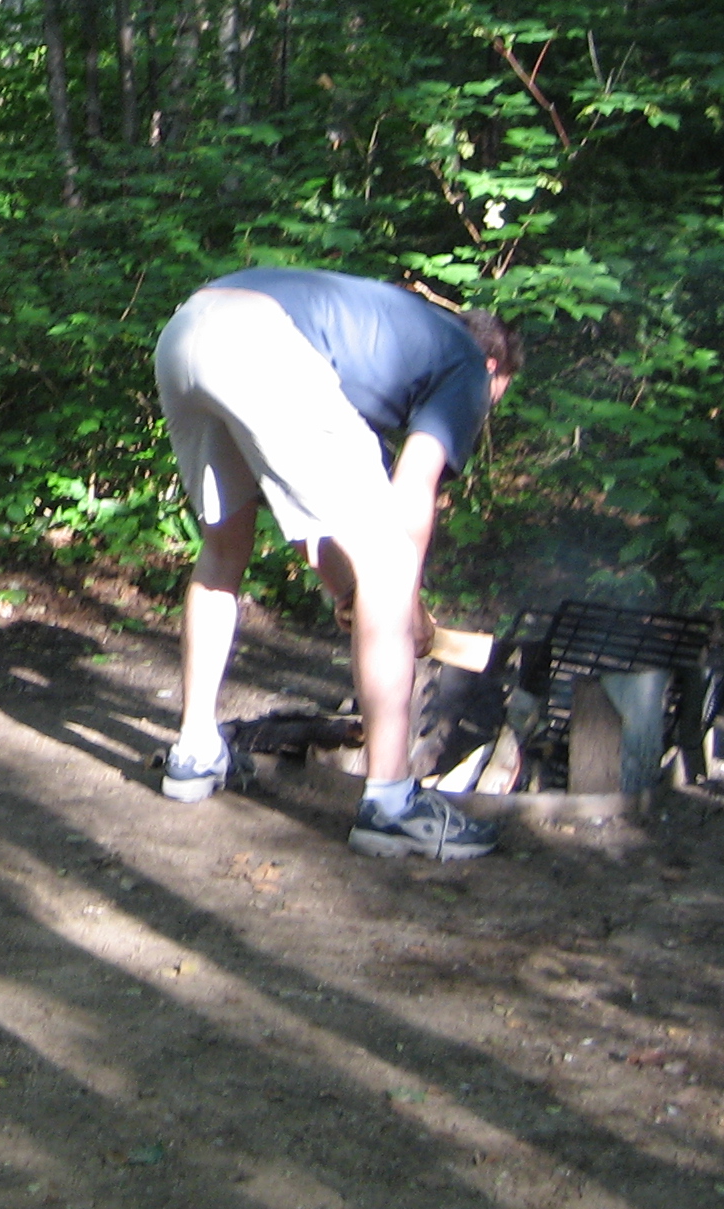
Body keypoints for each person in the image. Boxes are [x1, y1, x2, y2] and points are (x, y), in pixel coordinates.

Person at [151, 267, 523, 859]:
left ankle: (194, 754)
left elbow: (309, 514)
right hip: (262, 342)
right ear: (494, 367)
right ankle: (392, 805)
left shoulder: (382, 345)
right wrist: (406, 605)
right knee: (392, 560)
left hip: (187, 329)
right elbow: (412, 491)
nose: (487, 410)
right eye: (497, 396)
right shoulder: (466, 365)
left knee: (222, 548)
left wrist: (349, 592)